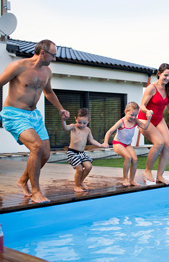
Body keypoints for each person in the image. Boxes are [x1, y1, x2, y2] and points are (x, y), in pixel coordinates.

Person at [0, 39, 69, 203]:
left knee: (45, 154)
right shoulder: (18, 66)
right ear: (43, 53)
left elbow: (49, 92)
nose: (54, 59)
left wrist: (61, 109)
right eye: (53, 55)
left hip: (34, 116)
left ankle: (23, 180)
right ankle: (37, 191)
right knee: (36, 146)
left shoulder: (47, 72)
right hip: (14, 114)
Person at [137, 63, 169, 185]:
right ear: (159, 74)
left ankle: (160, 176)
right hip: (145, 119)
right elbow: (142, 105)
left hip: (158, 119)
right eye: (165, 75)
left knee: (167, 145)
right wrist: (147, 111)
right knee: (159, 142)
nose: (168, 78)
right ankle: (147, 170)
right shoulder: (151, 88)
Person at [103, 102, 152, 187]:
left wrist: (149, 119)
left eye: (135, 115)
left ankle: (132, 180)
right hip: (118, 143)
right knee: (128, 157)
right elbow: (109, 131)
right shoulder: (121, 122)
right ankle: (125, 179)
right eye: (131, 115)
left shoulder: (135, 121)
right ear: (126, 112)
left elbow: (145, 127)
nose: (133, 117)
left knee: (135, 159)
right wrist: (105, 142)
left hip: (127, 144)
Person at [62, 108, 106, 193]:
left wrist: (101, 145)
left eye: (84, 123)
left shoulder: (87, 130)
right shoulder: (73, 127)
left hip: (81, 153)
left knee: (89, 166)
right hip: (72, 152)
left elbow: (92, 140)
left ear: (88, 121)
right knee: (79, 169)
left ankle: (81, 181)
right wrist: (63, 120)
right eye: (79, 122)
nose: (81, 125)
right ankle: (77, 185)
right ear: (76, 119)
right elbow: (65, 128)